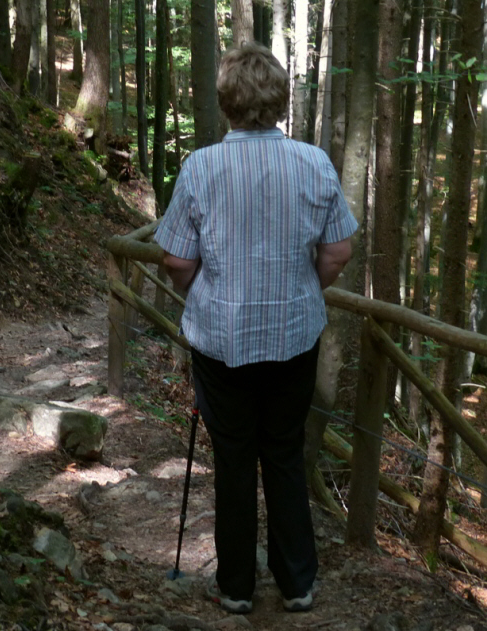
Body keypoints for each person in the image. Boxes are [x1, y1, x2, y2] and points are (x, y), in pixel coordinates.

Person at [154, 42, 357, 615]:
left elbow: (174, 260)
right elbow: (338, 250)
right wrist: (305, 292)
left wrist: (199, 297)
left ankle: (237, 586)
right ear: (280, 100)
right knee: (285, 455)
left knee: (235, 458)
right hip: (294, 337)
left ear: (226, 102)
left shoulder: (201, 168)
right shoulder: (313, 162)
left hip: (221, 343)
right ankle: (297, 583)